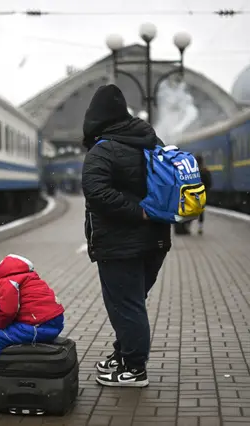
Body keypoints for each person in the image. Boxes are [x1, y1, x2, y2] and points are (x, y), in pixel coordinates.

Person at [81, 84, 172, 388]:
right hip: (156, 241)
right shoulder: (151, 141)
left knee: (127, 306)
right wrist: (146, 213)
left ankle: (134, 369)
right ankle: (123, 355)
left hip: (120, 244)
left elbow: (95, 192)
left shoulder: (103, 149)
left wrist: (137, 212)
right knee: (132, 303)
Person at [0, 254, 65, 388]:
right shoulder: (18, 275)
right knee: (7, 331)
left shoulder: (4, 284)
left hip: (40, 325)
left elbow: (7, 312)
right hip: (48, 321)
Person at [195, 155, 212, 235]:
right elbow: (209, 183)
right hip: (202, 193)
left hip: (193, 194)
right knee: (201, 211)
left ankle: (187, 225)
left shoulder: (193, 171)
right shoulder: (205, 171)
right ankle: (200, 226)